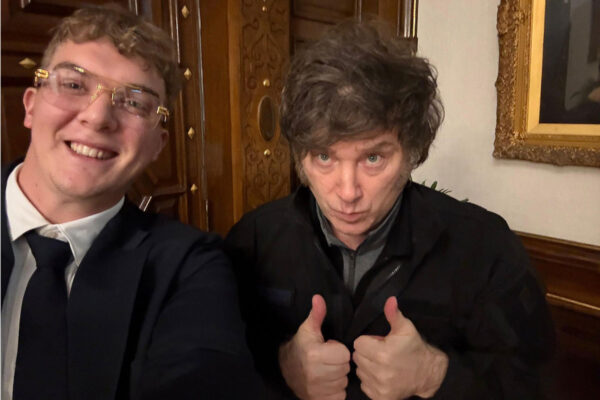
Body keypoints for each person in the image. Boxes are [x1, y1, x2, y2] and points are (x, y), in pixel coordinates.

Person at [225, 20, 555, 400]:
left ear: (412, 152)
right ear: (300, 157)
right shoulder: (252, 240)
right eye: (324, 157)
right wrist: (282, 367)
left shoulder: (485, 248)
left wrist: (435, 374)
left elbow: (536, 384)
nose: (347, 193)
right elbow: (216, 371)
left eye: (373, 158)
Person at [1, 6, 259, 400]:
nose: (98, 117)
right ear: (31, 105)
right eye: (74, 85)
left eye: (135, 102)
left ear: (158, 145)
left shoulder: (189, 267)